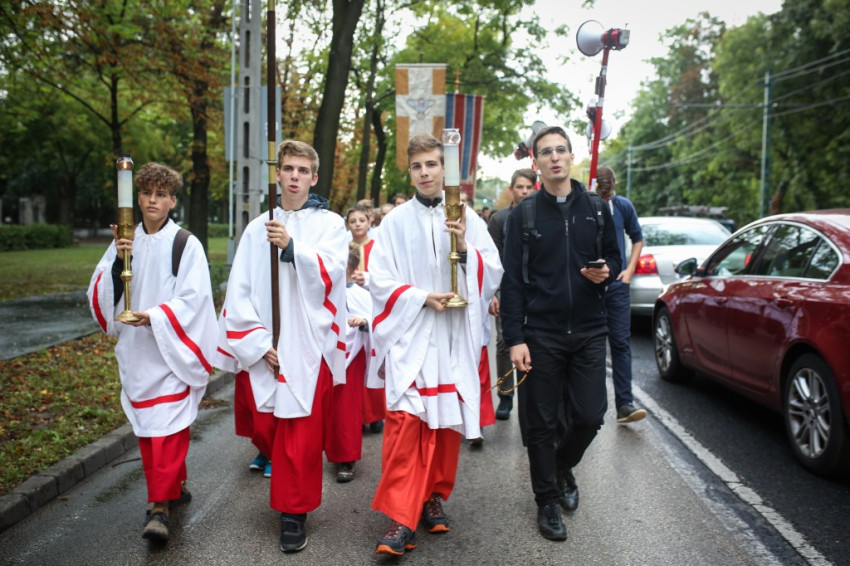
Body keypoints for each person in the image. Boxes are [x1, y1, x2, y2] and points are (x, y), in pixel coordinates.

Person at [368, 132, 502, 556]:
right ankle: (400, 518)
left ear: (445, 169)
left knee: (444, 426)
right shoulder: (393, 222)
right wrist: (420, 297)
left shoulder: (467, 216)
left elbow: (492, 270)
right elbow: (378, 280)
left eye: (431, 164)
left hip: (451, 338)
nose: (424, 172)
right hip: (410, 334)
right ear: (409, 172)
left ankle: (433, 496)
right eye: (417, 166)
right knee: (404, 425)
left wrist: (464, 245)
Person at [219, 140, 349, 553]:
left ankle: (294, 513)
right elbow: (239, 289)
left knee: (300, 435)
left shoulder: (330, 224)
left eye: (302, 170)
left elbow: (333, 272)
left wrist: (293, 248)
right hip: (266, 345)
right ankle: (287, 489)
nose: (295, 176)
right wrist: (259, 343)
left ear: (314, 177)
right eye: (288, 168)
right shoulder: (257, 227)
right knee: (267, 427)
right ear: (278, 175)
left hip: (309, 344)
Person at [500, 126, 621, 542]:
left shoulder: (596, 208)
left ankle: (562, 465)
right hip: (541, 334)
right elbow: (512, 282)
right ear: (536, 162)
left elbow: (614, 260)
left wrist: (605, 273)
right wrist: (515, 338)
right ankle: (547, 501)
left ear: (572, 156)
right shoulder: (525, 214)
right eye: (546, 152)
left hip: (588, 330)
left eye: (561, 150)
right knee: (540, 423)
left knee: (590, 416)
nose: (554, 157)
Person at [87, 162, 218, 542]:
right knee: (150, 431)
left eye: (161, 194)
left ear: (173, 200)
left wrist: (156, 317)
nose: (152, 200)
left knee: (169, 431)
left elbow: (195, 298)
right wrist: (118, 258)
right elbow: (101, 291)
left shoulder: (185, 243)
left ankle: (159, 508)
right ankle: (175, 485)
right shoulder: (125, 241)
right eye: (146, 193)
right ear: (137, 197)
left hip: (173, 350)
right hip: (137, 352)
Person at [595, 166, 648, 424]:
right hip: (591, 287)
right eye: (602, 195)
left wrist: (629, 270)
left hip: (617, 287)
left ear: (615, 186)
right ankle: (591, 409)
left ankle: (624, 405)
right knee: (591, 347)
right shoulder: (586, 204)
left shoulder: (623, 206)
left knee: (620, 344)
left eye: (608, 195)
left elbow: (637, 238)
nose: (606, 199)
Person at [487, 169, 535, 423]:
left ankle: (531, 395)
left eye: (529, 187)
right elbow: (491, 259)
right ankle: (505, 395)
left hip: (535, 291)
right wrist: (493, 293)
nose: (524, 192)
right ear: (511, 189)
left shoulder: (540, 215)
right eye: (520, 187)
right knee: (505, 341)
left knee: (534, 341)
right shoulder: (499, 219)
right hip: (506, 289)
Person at [325, 242, 375, 483]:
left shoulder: (363, 295)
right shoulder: (323, 293)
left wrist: (364, 322)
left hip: (352, 357)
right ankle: (324, 449)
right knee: (325, 406)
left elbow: (376, 322)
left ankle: (346, 457)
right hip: (326, 353)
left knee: (346, 408)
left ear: (347, 266)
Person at [345, 204, 385, 433]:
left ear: (370, 222)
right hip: (349, 303)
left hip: (371, 301)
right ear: (348, 225)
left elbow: (385, 275)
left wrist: (369, 279)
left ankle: (375, 413)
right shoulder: (343, 247)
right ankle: (357, 414)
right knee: (355, 366)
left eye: (362, 220)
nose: (358, 224)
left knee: (373, 358)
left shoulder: (377, 247)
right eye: (353, 221)